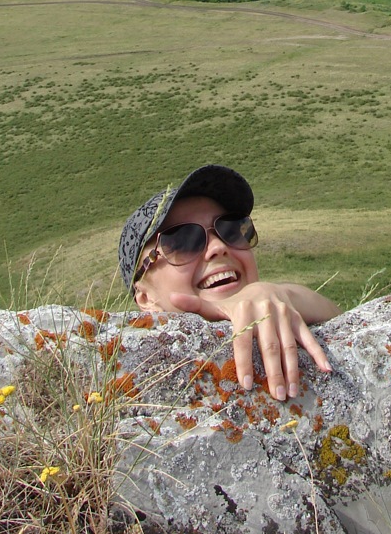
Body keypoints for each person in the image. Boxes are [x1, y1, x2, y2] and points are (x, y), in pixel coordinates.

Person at [118, 164, 339, 400]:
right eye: (183, 241)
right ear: (144, 297)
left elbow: (337, 315)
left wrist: (274, 294)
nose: (218, 247)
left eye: (231, 228)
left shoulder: (273, 304)